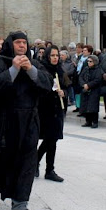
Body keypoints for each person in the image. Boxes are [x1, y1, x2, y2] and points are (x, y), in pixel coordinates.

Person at [0, 31, 52, 210]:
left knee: (27, 162)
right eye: (18, 42)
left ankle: (20, 204)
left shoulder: (33, 64)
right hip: (4, 121)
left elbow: (47, 83)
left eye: (24, 43)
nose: (22, 46)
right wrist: (13, 70)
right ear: (11, 44)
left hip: (28, 122)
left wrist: (30, 71)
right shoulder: (0, 64)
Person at [37, 46, 67, 182]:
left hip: (58, 109)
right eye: (53, 55)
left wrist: (63, 93)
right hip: (46, 109)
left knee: (53, 139)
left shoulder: (60, 70)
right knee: (49, 138)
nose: (55, 58)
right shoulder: (43, 70)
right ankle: (41, 164)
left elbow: (66, 86)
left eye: (57, 55)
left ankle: (48, 169)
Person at [80, 54, 103, 128]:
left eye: (90, 61)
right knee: (86, 106)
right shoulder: (86, 69)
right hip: (85, 90)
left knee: (93, 107)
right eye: (88, 61)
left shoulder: (98, 70)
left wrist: (89, 85)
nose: (89, 63)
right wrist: (84, 84)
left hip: (94, 90)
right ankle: (88, 121)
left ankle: (95, 121)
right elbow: (80, 77)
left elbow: (97, 80)